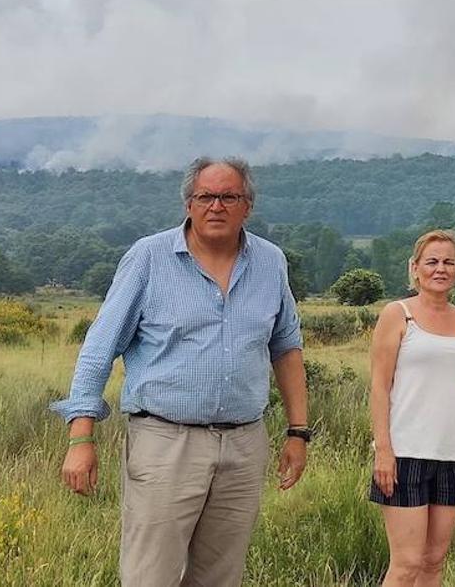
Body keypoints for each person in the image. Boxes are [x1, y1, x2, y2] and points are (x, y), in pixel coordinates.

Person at [51, 157, 311, 586]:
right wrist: (81, 438)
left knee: (221, 576)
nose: (216, 206)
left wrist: (298, 432)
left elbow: (286, 347)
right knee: (150, 576)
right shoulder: (149, 258)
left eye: (229, 196)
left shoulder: (270, 262)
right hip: (165, 442)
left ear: (248, 205)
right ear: (188, 203)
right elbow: (99, 349)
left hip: (244, 445)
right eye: (205, 196)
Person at [369, 229, 455, 586]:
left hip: (454, 452)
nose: (439, 269)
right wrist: (383, 449)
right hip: (405, 452)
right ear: (415, 268)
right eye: (432, 262)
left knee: (434, 561)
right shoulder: (397, 314)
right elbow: (380, 386)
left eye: (448, 262)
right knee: (407, 563)